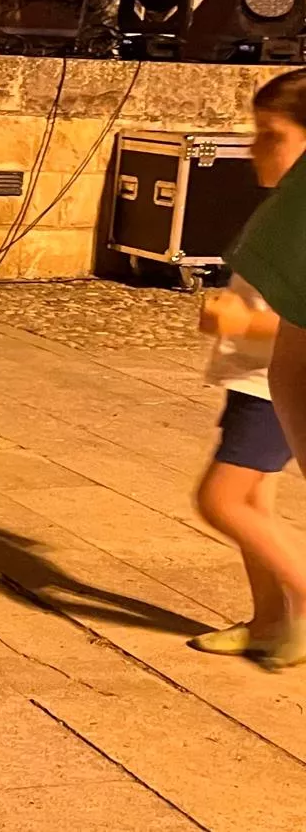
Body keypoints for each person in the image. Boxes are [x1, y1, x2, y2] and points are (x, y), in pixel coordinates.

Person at [212, 68, 306, 669]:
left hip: (267, 391)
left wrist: (242, 322)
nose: (254, 149)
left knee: (220, 500)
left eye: (271, 136)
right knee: (256, 504)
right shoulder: (281, 214)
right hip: (251, 382)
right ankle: (269, 620)